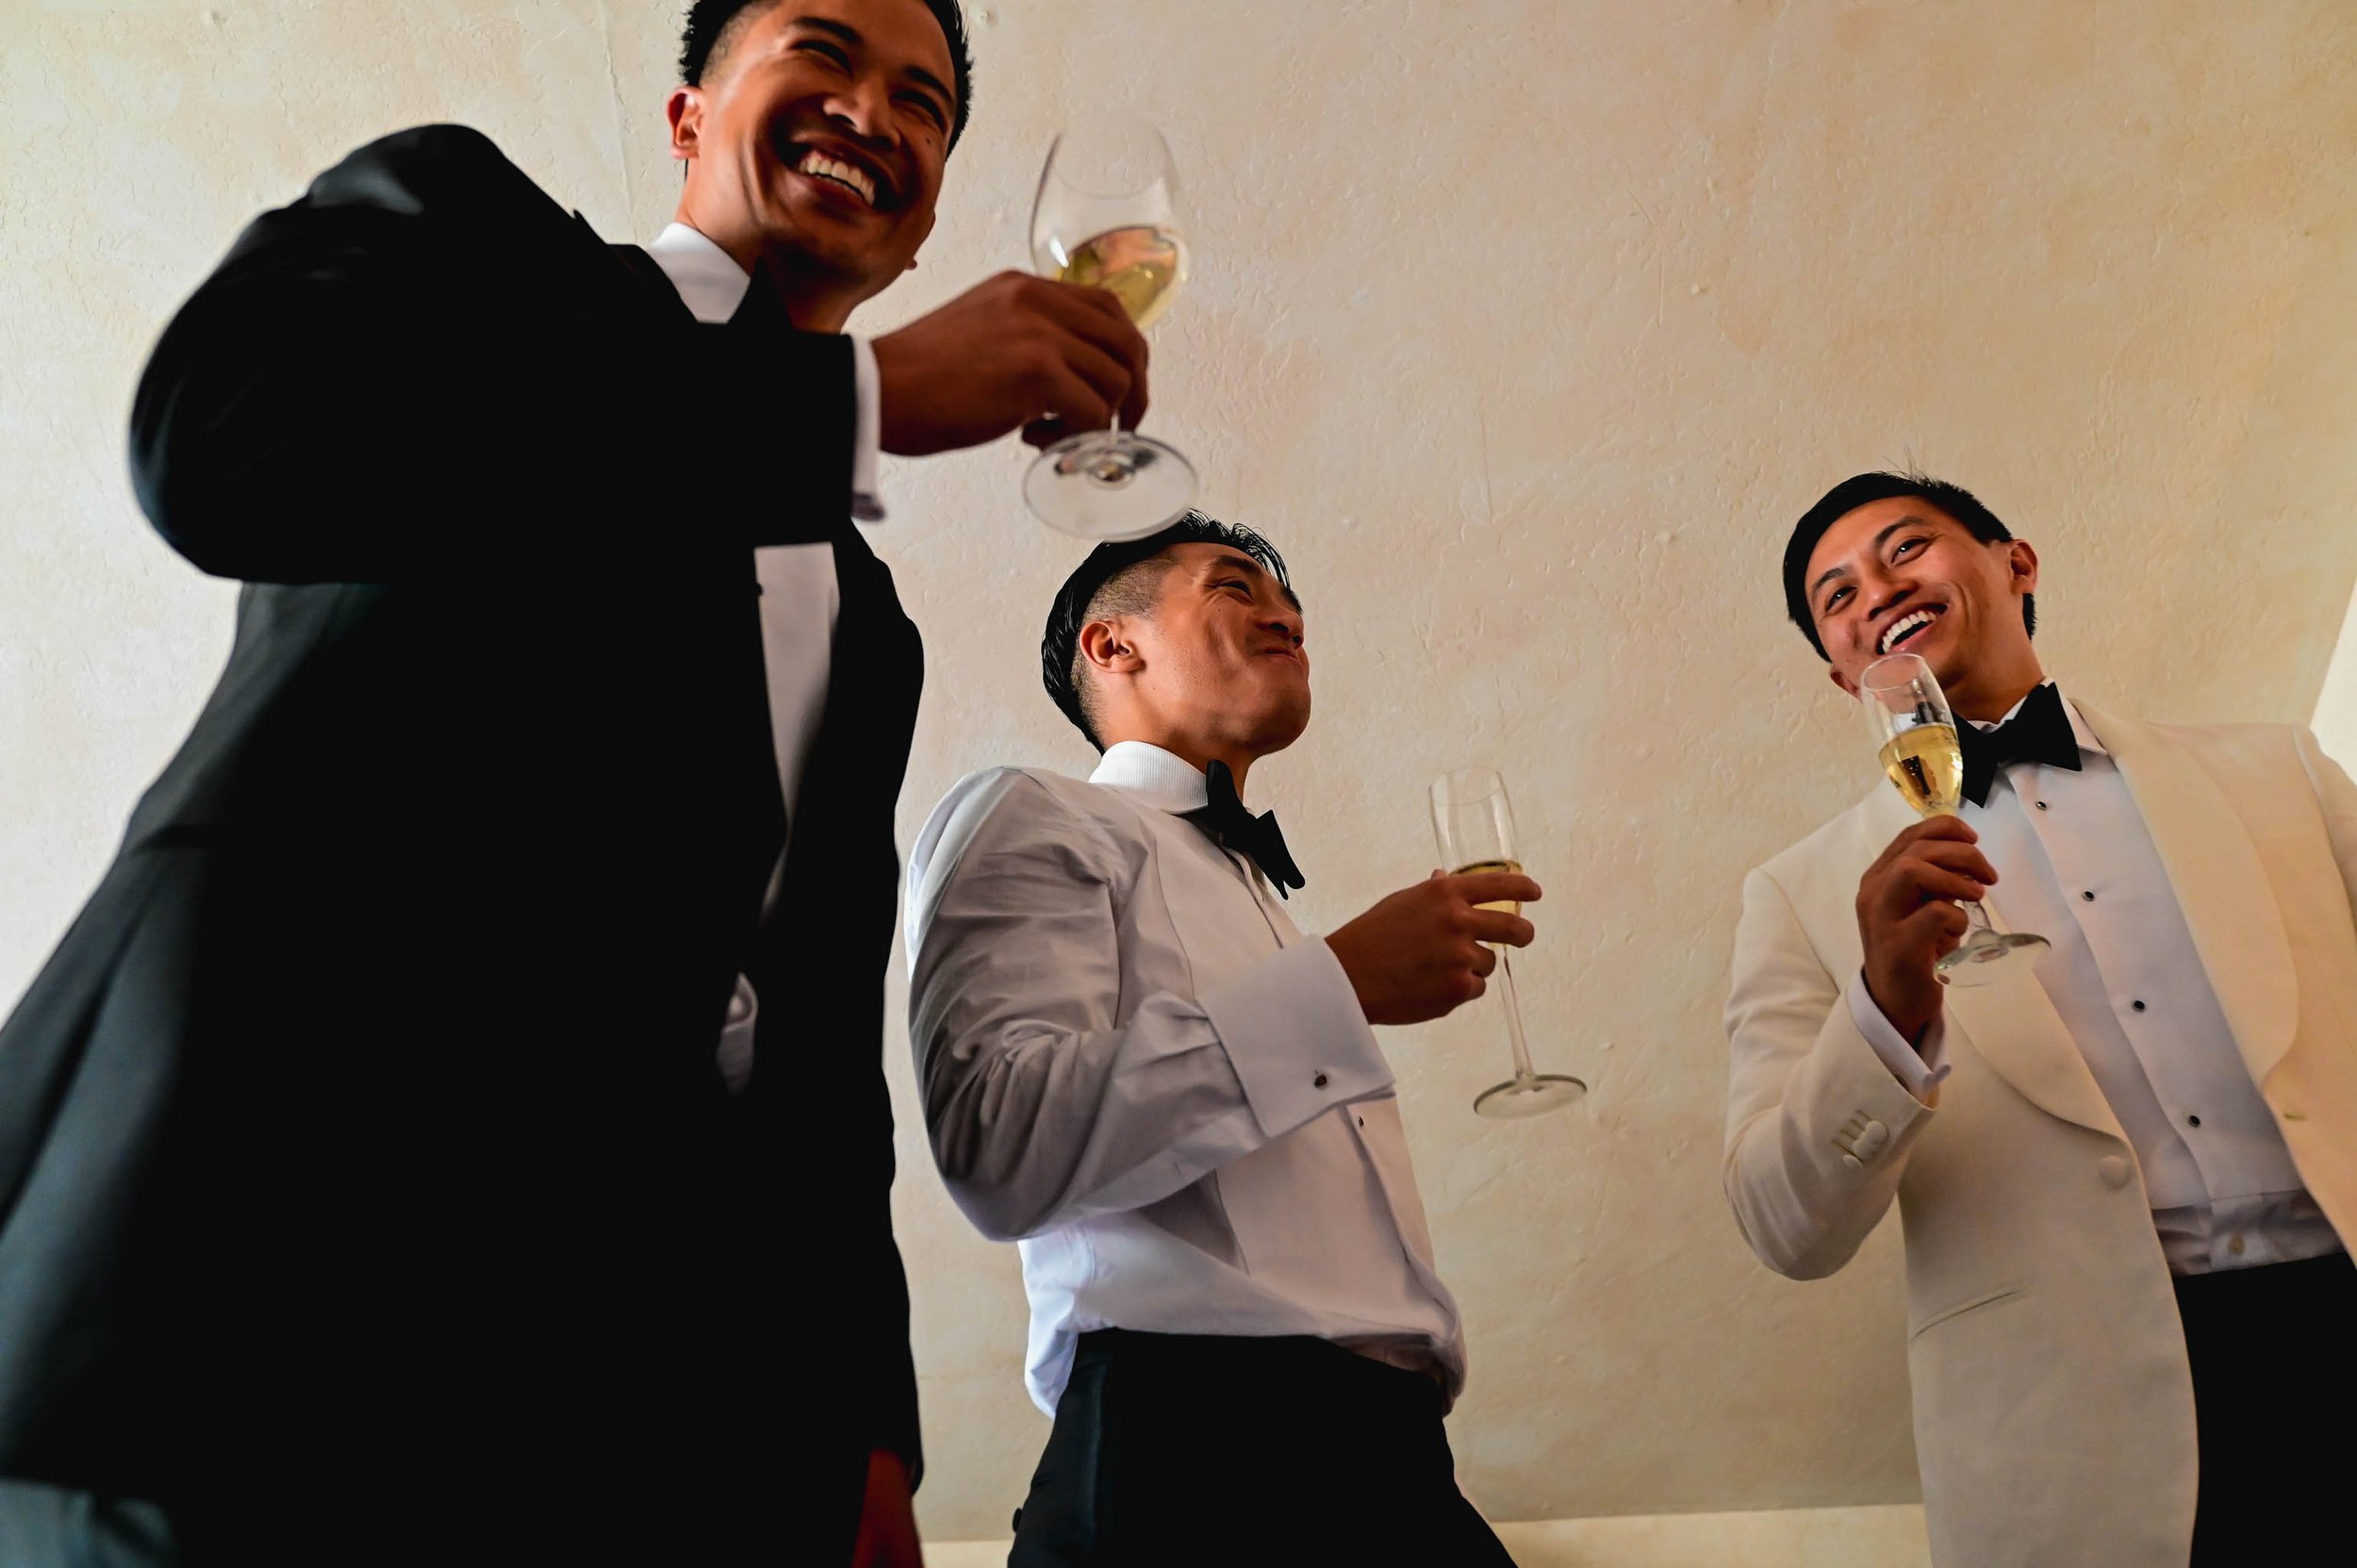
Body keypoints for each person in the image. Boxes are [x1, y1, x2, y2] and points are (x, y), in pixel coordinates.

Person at [0, 0, 1157, 1560]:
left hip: (629, 1417)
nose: (875, 111)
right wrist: (851, 406)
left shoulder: (866, 622)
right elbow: (223, 438)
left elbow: (812, 1046)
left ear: (932, 200)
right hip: (253, 1293)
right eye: (823, 53)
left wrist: (864, 1429)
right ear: (688, 117)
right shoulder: (462, 233)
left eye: (924, 101)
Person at [1722, 471, 2357, 1566]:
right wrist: (1882, 1011)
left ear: (2016, 563)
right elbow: (1785, 1226)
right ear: (1842, 674)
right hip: (2081, 1429)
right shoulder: (1798, 893)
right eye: (1838, 595)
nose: (1877, 589)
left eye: (1904, 548)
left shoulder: (2280, 770)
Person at [904, 512, 1530, 1566]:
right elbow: (998, 1142)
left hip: (1403, 1464)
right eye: (1236, 587)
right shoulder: (1029, 811)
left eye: (1288, 600)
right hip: (1183, 1456)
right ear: (1114, 645)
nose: (1284, 612)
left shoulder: (1265, 905)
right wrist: (1335, 985)